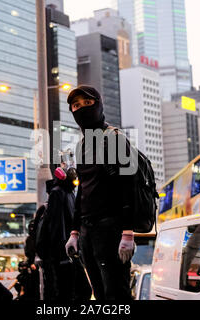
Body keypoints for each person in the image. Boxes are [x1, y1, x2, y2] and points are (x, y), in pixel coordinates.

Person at [65, 85, 136, 301]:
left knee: (116, 295)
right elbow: (82, 191)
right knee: (99, 294)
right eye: (76, 106)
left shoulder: (114, 138)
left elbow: (129, 186)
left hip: (111, 229)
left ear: (99, 105)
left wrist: (127, 232)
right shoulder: (82, 146)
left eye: (87, 103)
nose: (82, 109)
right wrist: (74, 232)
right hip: (87, 232)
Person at [39, 166, 91, 301]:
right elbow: (57, 225)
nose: (75, 180)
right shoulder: (58, 192)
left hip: (69, 250)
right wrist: (62, 254)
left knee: (79, 290)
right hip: (62, 253)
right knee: (68, 292)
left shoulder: (70, 193)